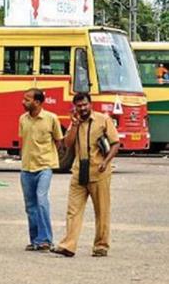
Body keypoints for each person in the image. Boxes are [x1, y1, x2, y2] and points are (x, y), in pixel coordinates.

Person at [51, 93, 120, 257]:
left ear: (90, 104)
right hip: (78, 171)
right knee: (73, 210)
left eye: (84, 105)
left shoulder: (103, 120)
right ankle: (69, 245)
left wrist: (106, 161)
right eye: (79, 106)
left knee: (102, 210)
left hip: (99, 171)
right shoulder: (75, 122)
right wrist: (74, 125)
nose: (82, 108)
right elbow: (67, 144)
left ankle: (101, 245)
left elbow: (115, 143)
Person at [18, 88, 63, 251]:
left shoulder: (51, 118)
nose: (24, 102)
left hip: (44, 166)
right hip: (26, 168)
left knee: (41, 200)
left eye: (27, 99)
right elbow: (23, 141)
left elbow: (59, 141)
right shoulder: (23, 119)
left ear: (37, 102)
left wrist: (51, 158)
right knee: (30, 205)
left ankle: (46, 239)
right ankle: (35, 239)